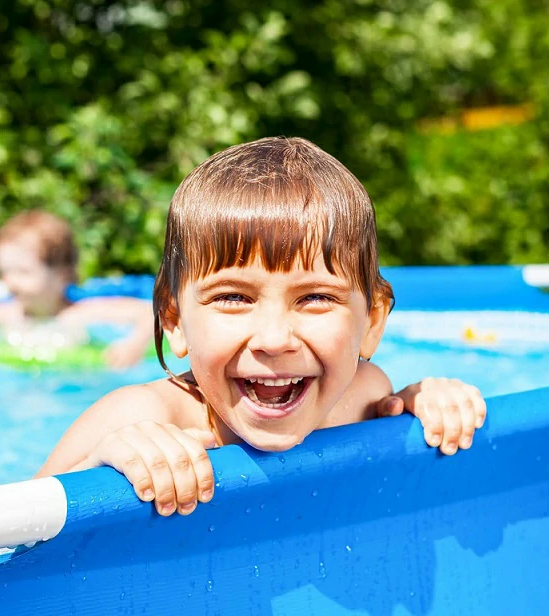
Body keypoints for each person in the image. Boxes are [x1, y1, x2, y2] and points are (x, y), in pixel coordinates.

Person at [36, 137, 487, 517]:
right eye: (233, 297)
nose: (274, 339)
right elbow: (4, 543)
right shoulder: (138, 418)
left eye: (316, 298)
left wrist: (421, 403)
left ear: (372, 323)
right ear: (173, 321)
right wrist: (96, 471)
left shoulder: (365, 396)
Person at [0, 210, 154, 369]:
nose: (9, 281)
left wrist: (135, 344)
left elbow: (151, 313)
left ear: (62, 275)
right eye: (4, 271)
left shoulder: (82, 313)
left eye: (23, 272)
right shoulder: (5, 314)